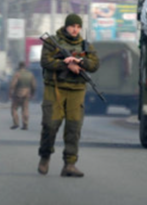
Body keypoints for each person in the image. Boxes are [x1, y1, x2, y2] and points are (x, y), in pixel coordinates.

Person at [38, 13, 99, 178]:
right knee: (50, 125)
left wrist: (80, 62)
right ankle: (45, 156)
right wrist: (65, 64)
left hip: (77, 90)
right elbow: (45, 61)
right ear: (66, 26)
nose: (75, 29)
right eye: (72, 26)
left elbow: (94, 64)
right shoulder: (52, 42)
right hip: (55, 88)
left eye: (78, 27)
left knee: (74, 128)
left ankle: (69, 164)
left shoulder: (85, 45)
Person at [9, 61, 36, 130]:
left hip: (17, 93)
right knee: (25, 109)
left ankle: (16, 123)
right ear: (25, 66)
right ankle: (25, 124)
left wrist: (10, 92)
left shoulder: (17, 74)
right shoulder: (30, 74)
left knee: (14, 108)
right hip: (27, 93)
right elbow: (34, 85)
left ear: (19, 66)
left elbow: (13, 84)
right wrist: (32, 93)